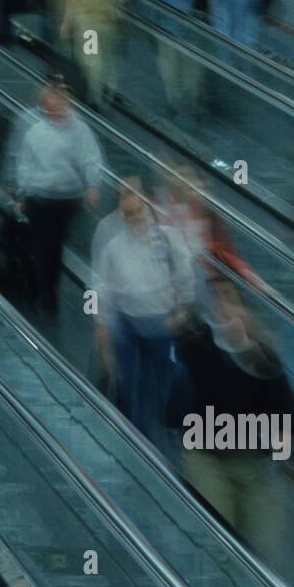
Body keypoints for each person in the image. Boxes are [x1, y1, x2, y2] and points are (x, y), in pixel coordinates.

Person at [177, 275, 294, 567]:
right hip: (207, 457)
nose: (224, 308)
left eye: (230, 299)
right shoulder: (198, 344)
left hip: (255, 464)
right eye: (216, 301)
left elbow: (284, 407)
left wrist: (280, 453)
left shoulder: (263, 353)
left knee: (265, 550)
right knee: (220, 541)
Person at [91, 174, 198, 445]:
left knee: (166, 375)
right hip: (126, 321)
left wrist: (183, 308)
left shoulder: (167, 236)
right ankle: (140, 437)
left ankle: (170, 423)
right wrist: (100, 323)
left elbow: (185, 272)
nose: (135, 217)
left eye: (138, 209)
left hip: (162, 320)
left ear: (146, 206)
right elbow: (99, 285)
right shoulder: (113, 242)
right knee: (131, 379)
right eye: (130, 213)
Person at [12, 83, 103, 319]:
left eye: (63, 103)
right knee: (46, 246)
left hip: (68, 198)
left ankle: (44, 290)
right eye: (53, 106)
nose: (59, 110)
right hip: (41, 197)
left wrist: (92, 184)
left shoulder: (80, 130)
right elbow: (26, 164)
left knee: (52, 246)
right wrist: (22, 194)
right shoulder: (36, 133)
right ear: (44, 108)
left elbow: (90, 158)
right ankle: (45, 293)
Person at [59, 0, 126, 110]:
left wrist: (65, 24)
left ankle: (95, 96)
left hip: (89, 26)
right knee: (108, 60)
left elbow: (71, 1)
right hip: (107, 24)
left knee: (91, 60)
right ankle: (111, 95)